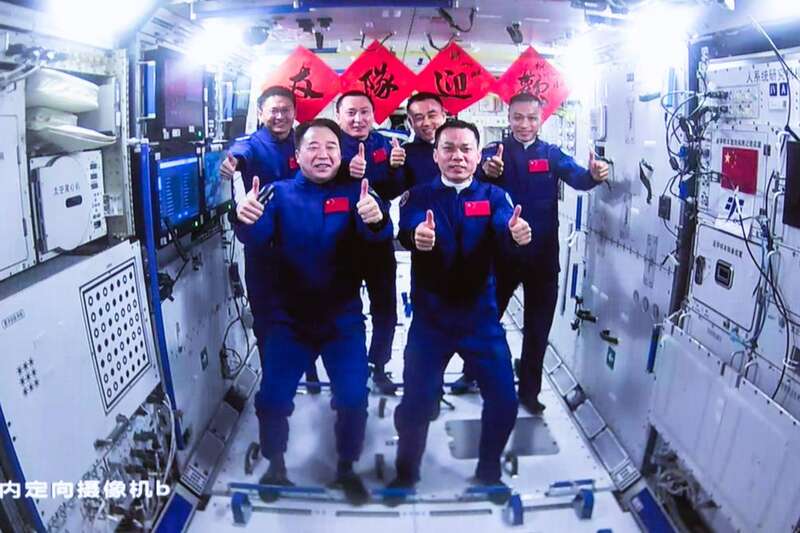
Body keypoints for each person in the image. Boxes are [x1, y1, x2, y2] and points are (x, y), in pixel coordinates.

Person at [234, 118, 393, 505]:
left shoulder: (358, 192)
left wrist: (378, 220)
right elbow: (255, 236)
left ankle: (346, 467)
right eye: (313, 147)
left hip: (343, 320)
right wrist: (243, 218)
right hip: (289, 321)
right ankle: (275, 465)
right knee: (273, 399)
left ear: (341, 154)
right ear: (297, 154)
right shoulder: (277, 194)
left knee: (353, 398)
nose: (323, 154)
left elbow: (378, 235)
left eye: (331, 147)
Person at [390, 119, 532, 491]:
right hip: (431, 321)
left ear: (477, 155)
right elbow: (409, 226)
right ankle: (406, 473)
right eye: (449, 148)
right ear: (435, 155)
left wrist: (515, 233)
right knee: (416, 405)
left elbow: (504, 222)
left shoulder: (494, 197)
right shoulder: (418, 196)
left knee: (504, 400)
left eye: (466, 149)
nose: (458, 156)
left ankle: (489, 471)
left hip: (480, 320)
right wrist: (417, 236)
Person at [459, 92, 609, 414]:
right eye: (518, 117)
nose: (524, 124)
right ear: (508, 118)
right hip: (501, 257)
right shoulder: (494, 153)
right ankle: (470, 373)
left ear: (541, 119)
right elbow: (472, 181)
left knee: (537, 329)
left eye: (531, 118)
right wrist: (487, 170)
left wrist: (594, 175)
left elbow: (577, 177)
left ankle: (529, 391)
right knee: (485, 320)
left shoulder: (551, 155)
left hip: (542, 260)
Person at [220, 85, 322, 392]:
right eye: (273, 110)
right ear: (261, 112)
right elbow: (239, 154)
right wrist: (231, 163)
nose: (280, 116)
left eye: (285, 110)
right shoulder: (252, 144)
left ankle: (309, 370)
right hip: (263, 246)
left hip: (301, 243)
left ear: (294, 112)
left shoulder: (303, 142)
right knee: (265, 316)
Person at [336, 90, 406, 394]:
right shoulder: (328, 144)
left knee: (385, 307)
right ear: (338, 115)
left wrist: (394, 169)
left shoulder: (385, 144)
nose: (358, 119)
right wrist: (343, 170)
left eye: (364, 112)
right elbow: (313, 180)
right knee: (345, 309)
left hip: (377, 238)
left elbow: (392, 191)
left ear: (374, 115)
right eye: (351, 112)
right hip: (339, 241)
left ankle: (379, 364)